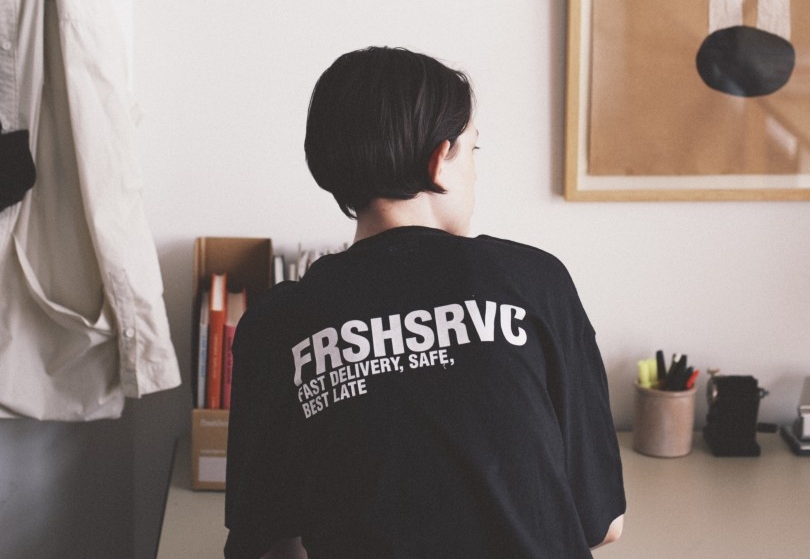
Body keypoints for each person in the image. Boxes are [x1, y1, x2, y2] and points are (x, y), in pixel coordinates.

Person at [225, 47, 625, 558]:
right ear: (440, 159)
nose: (476, 172)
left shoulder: (275, 325)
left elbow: (266, 545)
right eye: (473, 149)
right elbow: (602, 524)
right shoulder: (534, 281)